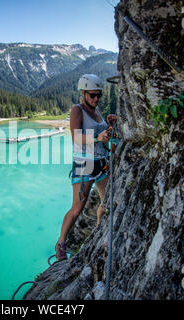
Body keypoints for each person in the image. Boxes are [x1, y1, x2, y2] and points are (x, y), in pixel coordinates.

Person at [55, 74, 117, 261]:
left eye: (99, 95)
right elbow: (76, 137)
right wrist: (98, 138)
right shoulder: (77, 110)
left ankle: (98, 232)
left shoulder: (98, 112)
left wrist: (109, 126)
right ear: (83, 93)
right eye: (92, 95)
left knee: (106, 202)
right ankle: (61, 243)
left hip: (101, 161)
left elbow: (101, 134)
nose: (96, 99)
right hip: (85, 163)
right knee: (77, 208)